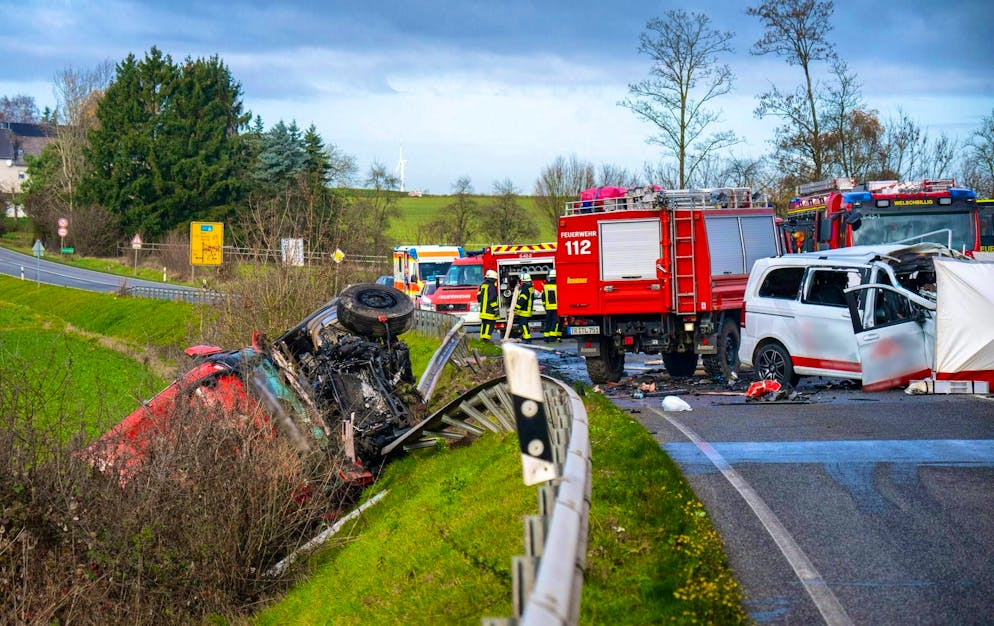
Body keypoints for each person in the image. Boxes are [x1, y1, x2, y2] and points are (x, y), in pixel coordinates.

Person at [476, 269, 500, 341]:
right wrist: (496, 309)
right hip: (489, 310)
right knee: (489, 324)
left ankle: (482, 338)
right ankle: (486, 339)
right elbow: (492, 299)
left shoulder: (482, 285)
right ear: (493, 279)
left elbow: (478, 297)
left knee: (484, 324)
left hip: (483, 310)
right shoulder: (492, 286)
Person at [511, 273, 535, 344]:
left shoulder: (525, 288)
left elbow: (522, 299)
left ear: (523, 281)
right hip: (527, 310)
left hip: (524, 310)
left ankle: (528, 339)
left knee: (524, 325)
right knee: (524, 324)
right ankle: (526, 338)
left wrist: (516, 308)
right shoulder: (530, 287)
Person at [541, 269, 560, 343]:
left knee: (548, 322)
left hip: (548, 308)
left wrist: (544, 306)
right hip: (556, 307)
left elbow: (543, 297)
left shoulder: (545, 286)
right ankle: (552, 338)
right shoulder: (558, 286)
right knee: (554, 322)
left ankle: (546, 338)